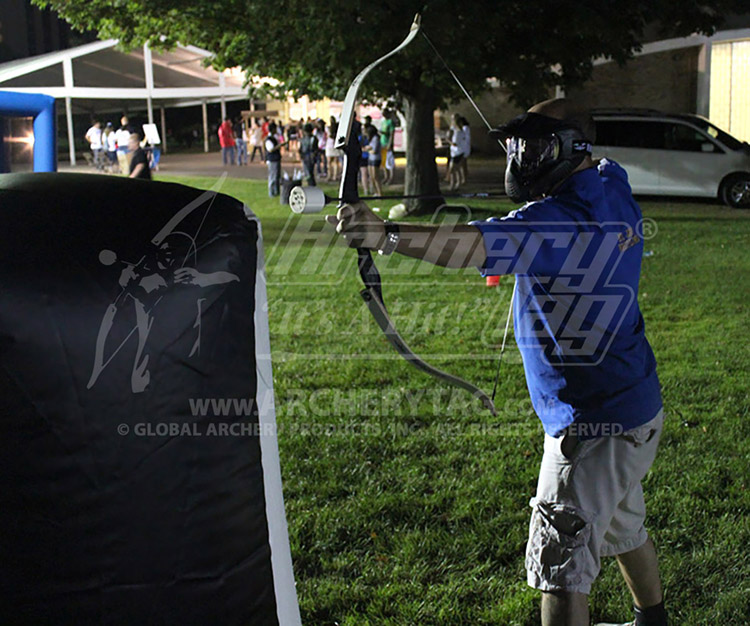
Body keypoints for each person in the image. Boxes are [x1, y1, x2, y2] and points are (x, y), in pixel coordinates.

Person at [326, 98, 667, 626]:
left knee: (560, 562)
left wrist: (384, 235)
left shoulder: (558, 221)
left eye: (536, 147)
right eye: (518, 146)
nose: (523, 158)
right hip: (635, 409)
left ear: (570, 149)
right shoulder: (610, 183)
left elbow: (472, 245)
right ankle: (653, 619)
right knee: (623, 527)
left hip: (593, 424)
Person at [264, 121, 285, 197]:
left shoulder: (273, 138)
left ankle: (276, 191)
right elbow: (270, 149)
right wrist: (279, 146)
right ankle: (271, 193)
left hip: (276, 159)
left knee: (277, 176)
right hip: (272, 159)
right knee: (273, 176)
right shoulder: (269, 139)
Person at [447, 112, 466, 190]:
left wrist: (448, 141)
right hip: (455, 152)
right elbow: (451, 130)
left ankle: (455, 183)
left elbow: (455, 143)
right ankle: (456, 183)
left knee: (452, 169)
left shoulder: (459, 132)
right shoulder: (456, 130)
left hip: (457, 152)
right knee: (457, 169)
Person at [363, 124, 382, 196]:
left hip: (375, 159)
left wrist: (367, 150)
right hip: (370, 158)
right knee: (371, 177)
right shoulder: (371, 139)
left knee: (375, 177)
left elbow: (374, 151)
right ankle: (376, 192)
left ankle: (380, 193)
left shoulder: (375, 139)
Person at [380, 109, 396, 185]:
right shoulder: (383, 122)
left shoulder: (390, 122)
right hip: (382, 142)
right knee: (383, 160)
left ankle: (391, 178)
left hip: (387, 143)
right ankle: (386, 176)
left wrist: (390, 143)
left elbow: (391, 134)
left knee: (389, 160)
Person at [326, 117, 342, 182]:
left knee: (329, 162)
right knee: (336, 162)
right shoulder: (337, 128)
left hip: (329, 145)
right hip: (335, 144)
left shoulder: (328, 128)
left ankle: (329, 175)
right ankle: (335, 176)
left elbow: (327, 136)